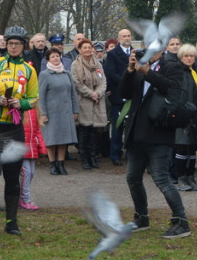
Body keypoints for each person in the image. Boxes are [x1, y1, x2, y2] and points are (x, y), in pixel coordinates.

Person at [0, 26, 40, 236]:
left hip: (13, 127)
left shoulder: (29, 70)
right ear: (4, 45)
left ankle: (11, 221)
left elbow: (34, 98)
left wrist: (21, 104)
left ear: (23, 46)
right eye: (10, 43)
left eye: (17, 44)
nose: (13, 47)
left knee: (12, 175)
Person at [120, 50, 192, 238]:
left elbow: (174, 90)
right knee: (133, 177)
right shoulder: (138, 67)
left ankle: (181, 221)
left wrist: (148, 73)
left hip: (159, 133)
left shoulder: (172, 66)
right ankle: (141, 217)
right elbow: (125, 93)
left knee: (161, 178)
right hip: (137, 132)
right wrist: (129, 70)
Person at [172, 44, 197, 192]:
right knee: (181, 146)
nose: (189, 58)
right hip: (182, 114)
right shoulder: (177, 72)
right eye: (186, 56)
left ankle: (190, 177)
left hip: (195, 114)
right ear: (181, 57)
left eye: (192, 56)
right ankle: (181, 178)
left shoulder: (196, 72)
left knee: (192, 147)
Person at [38, 49, 80, 175]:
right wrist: (43, 113)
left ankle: (61, 163)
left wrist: (75, 110)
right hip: (51, 113)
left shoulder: (67, 73)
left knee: (64, 139)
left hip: (66, 112)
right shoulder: (44, 74)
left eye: (57, 56)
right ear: (48, 60)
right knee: (51, 139)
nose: (56, 58)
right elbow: (41, 96)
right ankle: (52, 164)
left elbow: (73, 93)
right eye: (53, 57)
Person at [71, 38, 108, 170]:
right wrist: (90, 94)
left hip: (97, 101)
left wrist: (97, 93)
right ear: (80, 50)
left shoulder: (98, 64)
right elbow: (77, 83)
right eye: (84, 48)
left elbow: (103, 81)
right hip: (83, 101)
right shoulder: (75, 65)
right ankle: (84, 158)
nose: (87, 50)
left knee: (94, 131)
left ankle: (93, 156)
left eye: (89, 47)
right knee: (84, 131)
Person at [103, 28, 134, 165]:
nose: (127, 38)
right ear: (119, 38)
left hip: (134, 95)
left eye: (128, 36)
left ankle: (131, 153)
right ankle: (115, 154)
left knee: (132, 126)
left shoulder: (136, 53)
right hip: (119, 95)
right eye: (124, 36)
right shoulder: (113, 54)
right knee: (117, 125)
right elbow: (110, 73)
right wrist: (126, 81)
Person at [20, 102, 47, 210]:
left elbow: (37, 131)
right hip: (22, 149)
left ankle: (23, 197)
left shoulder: (34, 110)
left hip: (32, 148)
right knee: (26, 173)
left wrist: (41, 146)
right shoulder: (20, 111)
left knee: (31, 173)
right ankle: (25, 199)